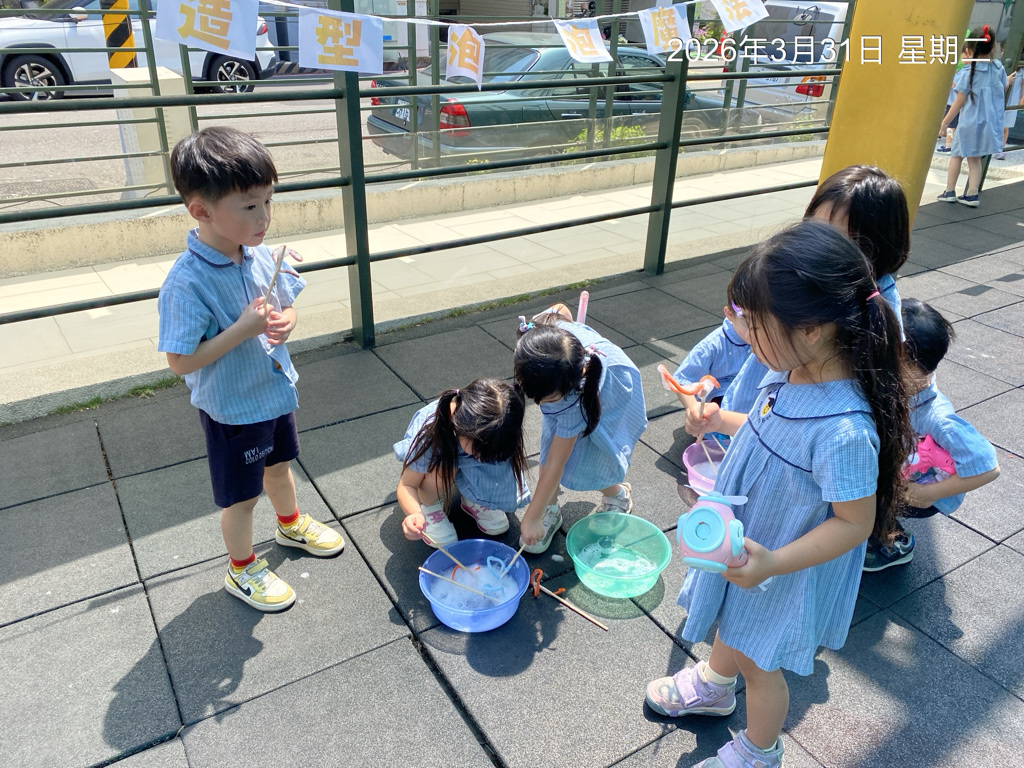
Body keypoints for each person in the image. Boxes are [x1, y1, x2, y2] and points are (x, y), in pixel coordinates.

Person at [646, 221, 913, 768]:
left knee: (759, 662)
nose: (744, 332)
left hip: (783, 564)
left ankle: (759, 750)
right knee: (732, 620)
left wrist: (773, 563)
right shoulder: (790, 369)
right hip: (752, 541)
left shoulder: (843, 430)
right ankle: (715, 684)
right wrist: (718, 418)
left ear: (811, 328)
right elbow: (764, 425)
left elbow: (855, 522)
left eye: (755, 322)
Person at [158, 126, 343, 614]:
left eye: (267, 202)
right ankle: (240, 568)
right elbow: (179, 362)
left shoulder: (259, 256)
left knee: (279, 467)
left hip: (273, 393)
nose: (264, 218)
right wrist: (243, 329)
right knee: (241, 498)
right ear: (201, 211)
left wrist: (286, 321)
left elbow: (286, 306)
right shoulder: (187, 282)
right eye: (248, 206)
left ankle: (290, 524)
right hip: (233, 409)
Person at [722, 165, 911, 418]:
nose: (812, 246)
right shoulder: (806, 277)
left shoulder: (872, 314)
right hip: (750, 412)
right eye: (812, 230)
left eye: (834, 238)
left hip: (776, 422)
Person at [864, 299, 1001, 571]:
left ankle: (891, 544)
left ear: (908, 363)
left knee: (871, 494)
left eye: (884, 356)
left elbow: (988, 468)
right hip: (902, 472)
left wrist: (927, 493)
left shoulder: (938, 419)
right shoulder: (906, 385)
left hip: (919, 489)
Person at [513, 304, 647, 553]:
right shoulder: (540, 336)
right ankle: (549, 508)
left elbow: (555, 463)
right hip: (569, 385)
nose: (539, 404)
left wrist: (530, 517)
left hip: (608, 393)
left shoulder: (572, 401)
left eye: (545, 398)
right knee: (553, 453)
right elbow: (560, 308)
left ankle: (617, 494)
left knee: (590, 459)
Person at [395, 378, 529, 547]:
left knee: (492, 459)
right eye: (478, 452)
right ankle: (429, 506)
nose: (480, 458)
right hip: (440, 458)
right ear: (463, 430)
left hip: (466, 447)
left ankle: (475, 497)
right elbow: (407, 485)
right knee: (445, 467)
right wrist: (415, 513)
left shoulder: (495, 425)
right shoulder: (430, 434)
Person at [938, 26, 1008, 207]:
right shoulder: (998, 68)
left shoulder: (968, 72)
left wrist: (944, 122)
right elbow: (1003, 86)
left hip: (968, 122)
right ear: (993, 46)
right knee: (975, 159)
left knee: (956, 156)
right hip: (987, 122)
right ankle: (972, 194)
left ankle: (949, 191)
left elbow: (959, 102)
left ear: (969, 51)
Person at [671, 304, 751, 425]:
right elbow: (682, 380)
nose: (755, 332)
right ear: (730, 314)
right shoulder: (711, 346)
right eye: (749, 324)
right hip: (721, 398)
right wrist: (694, 409)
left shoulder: (760, 337)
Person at [997, 53, 1022, 160]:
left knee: (1005, 126)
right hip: (1000, 98)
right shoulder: (1000, 66)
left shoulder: (1021, 70)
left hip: (1013, 99)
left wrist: (1022, 98)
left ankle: (1000, 149)